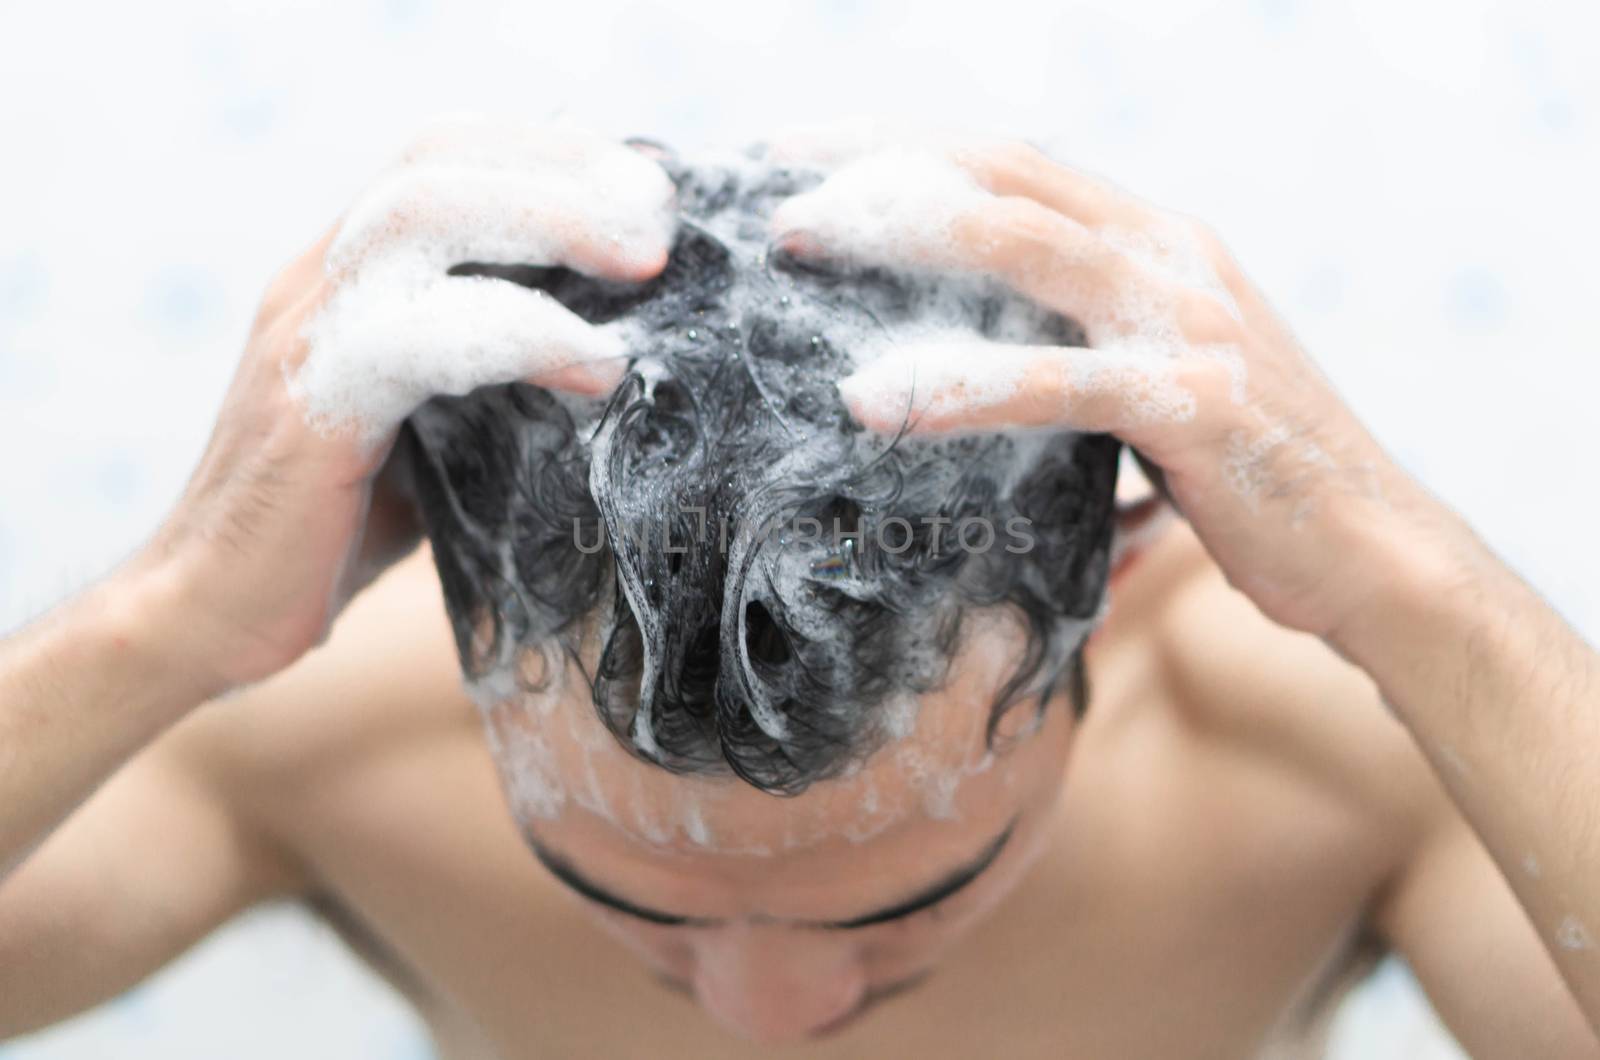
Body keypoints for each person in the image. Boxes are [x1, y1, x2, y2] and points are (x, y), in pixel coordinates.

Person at [0, 118, 1595, 1057]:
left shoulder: (1340, 781)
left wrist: (1409, 583)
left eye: (912, 895)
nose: (768, 1017)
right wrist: (167, 619)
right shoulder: (310, 753)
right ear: (466, 634)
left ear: (1121, 563)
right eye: (623, 893)